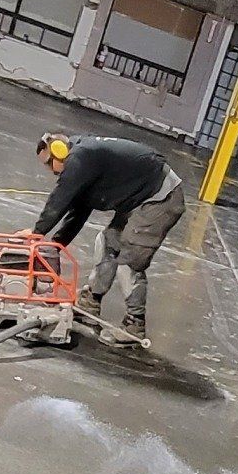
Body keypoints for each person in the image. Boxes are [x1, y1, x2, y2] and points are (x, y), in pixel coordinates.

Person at [30, 132, 184, 340]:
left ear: (59, 151)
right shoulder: (84, 159)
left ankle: (134, 325)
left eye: (49, 163)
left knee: (129, 262)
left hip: (160, 198)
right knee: (108, 242)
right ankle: (91, 300)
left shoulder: (80, 158)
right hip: (139, 197)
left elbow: (60, 199)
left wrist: (36, 234)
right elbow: (78, 210)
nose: (50, 170)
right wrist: (56, 244)